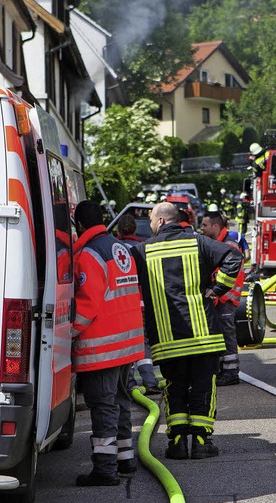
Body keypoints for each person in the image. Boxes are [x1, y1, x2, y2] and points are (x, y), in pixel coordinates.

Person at [132, 202, 242, 459]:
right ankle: (202, 442)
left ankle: (178, 442)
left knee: (175, 386)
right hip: (204, 335)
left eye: (151, 220)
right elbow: (233, 257)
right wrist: (216, 289)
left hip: (167, 339)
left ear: (160, 221)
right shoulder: (199, 242)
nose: (150, 225)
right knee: (204, 386)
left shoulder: (141, 250)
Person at [72, 201, 145, 486]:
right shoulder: (119, 247)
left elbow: (87, 305)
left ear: (79, 226)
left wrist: (68, 332)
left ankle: (105, 469)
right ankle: (125, 460)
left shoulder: (89, 254)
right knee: (120, 401)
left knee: (103, 406)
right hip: (127, 343)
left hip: (102, 346)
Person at [117, 214, 161, 395]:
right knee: (144, 343)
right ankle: (150, 382)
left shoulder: (115, 249)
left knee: (127, 343)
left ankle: (129, 383)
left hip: (123, 305)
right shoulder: (143, 248)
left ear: (119, 230)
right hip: (143, 304)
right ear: (135, 229)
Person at [200, 211, 245, 386]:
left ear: (215, 226)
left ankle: (231, 372)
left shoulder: (229, 246)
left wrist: (216, 293)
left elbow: (231, 275)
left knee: (227, 335)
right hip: (221, 298)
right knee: (220, 335)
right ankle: (222, 370)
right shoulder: (220, 243)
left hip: (226, 299)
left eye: (205, 225)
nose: (202, 228)